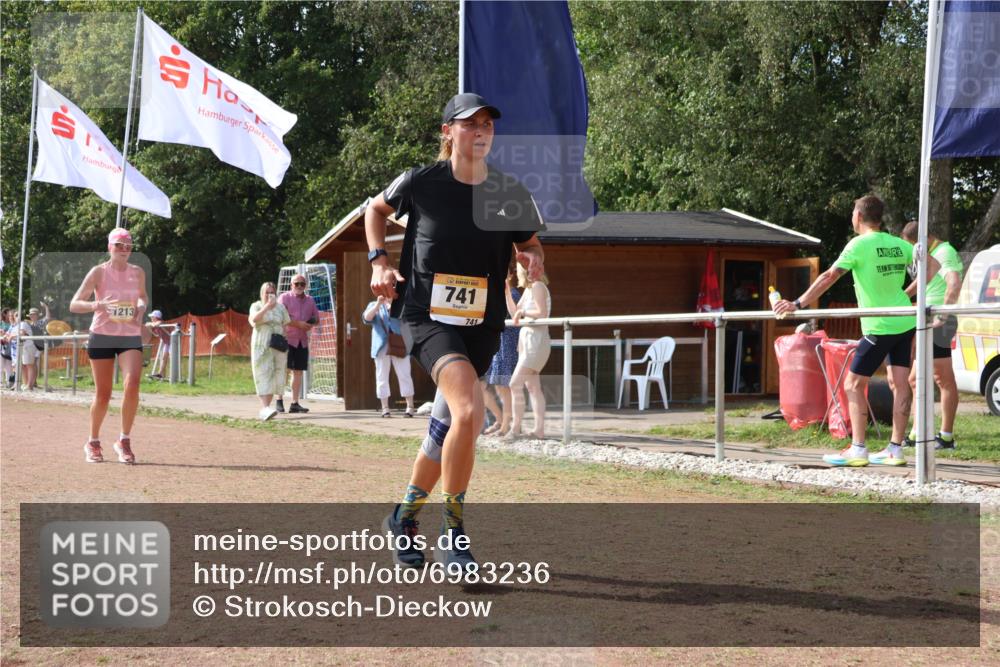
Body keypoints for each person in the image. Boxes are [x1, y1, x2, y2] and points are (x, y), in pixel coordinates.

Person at [367, 92, 545, 570]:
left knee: (448, 428)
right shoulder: (422, 182)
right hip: (427, 316)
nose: (481, 131)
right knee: (469, 410)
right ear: (448, 132)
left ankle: (403, 518)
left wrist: (533, 258)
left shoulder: (508, 192)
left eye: (488, 124)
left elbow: (531, 244)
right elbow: (375, 211)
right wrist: (379, 260)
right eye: (470, 124)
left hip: (482, 325)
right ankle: (453, 533)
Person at [773, 195, 939, 467]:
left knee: (853, 384)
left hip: (879, 325)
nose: (852, 217)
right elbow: (933, 266)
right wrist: (906, 295)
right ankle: (895, 449)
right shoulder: (898, 243)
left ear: (859, 217)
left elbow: (830, 276)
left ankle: (859, 448)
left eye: (853, 212)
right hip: (903, 321)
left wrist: (798, 303)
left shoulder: (858, 245)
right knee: (899, 384)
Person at [69, 227, 148, 464]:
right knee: (103, 395)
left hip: (129, 335)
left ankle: (123, 440)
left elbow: (143, 296)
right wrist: (97, 305)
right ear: (109, 248)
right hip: (102, 334)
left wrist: (141, 307)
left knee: (132, 384)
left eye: (128, 246)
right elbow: (74, 304)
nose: (124, 250)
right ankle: (92, 441)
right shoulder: (98, 272)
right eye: (119, 245)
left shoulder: (138, 272)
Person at [900, 222, 964, 450]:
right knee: (915, 379)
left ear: (921, 241)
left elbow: (954, 284)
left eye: (913, 248)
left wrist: (944, 316)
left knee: (942, 379)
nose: (914, 254)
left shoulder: (944, 252)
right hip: (928, 319)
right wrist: (900, 297)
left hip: (939, 319)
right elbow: (922, 281)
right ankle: (919, 433)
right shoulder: (933, 253)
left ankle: (946, 437)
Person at [507, 262, 552, 439]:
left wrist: (523, 312)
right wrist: (506, 289)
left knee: (514, 383)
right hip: (527, 339)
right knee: (532, 386)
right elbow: (515, 314)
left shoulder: (538, 286)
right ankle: (538, 430)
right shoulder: (529, 289)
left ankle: (516, 428)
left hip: (536, 340)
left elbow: (542, 313)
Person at [482, 266, 521, 436]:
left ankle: (505, 425)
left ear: (511, 275)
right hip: (497, 345)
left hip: (507, 344)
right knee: (491, 386)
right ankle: (500, 419)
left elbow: (512, 316)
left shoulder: (513, 295)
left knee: (504, 387)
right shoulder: (497, 295)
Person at [362, 295, 415, 417]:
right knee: (381, 376)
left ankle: (410, 407)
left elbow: (408, 323)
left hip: (400, 344)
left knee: (404, 374)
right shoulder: (373, 304)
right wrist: (378, 304)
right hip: (381, 346)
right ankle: (385, 408)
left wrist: (409, 346)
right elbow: (366, 318)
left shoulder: (402, 304)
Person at [278, 274, 319, 414]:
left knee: (298, 372)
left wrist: (310, 323)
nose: (300, 286)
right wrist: (298, 324)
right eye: (297, 284)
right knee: (284, 370)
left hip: (302, 341)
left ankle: (295, 403)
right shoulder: (284, 298)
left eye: (302, 284)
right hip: (287, 339)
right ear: (291, 285)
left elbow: (317, 318)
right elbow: (281, 317)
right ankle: (279, 400)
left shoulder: (310, 300)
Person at [249, 282, 290, 421]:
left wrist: (284, 339)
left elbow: (286, 324)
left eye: (272, 292)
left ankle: (267, 407)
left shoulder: (281, 307)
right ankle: (264, 407)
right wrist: (267, 306)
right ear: (262, 293)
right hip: (261, 344)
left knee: (274, 376)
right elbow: (254, 319)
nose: (269, 295)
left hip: (277, 345)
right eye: (266, 292)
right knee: (262, 374)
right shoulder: (256, 305)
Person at [145, 310, 172, 379]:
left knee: (172, 359)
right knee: (164, 358)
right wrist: (149, 327)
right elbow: (156, 334)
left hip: (173, 342)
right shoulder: (157, 324)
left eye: (152, 317)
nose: (151, 318)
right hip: (167, 343)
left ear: (156, 317)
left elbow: (157, 324)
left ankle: (173, 375)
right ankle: (161, 374)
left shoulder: (160, 322)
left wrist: (150, 324)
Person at [0, 308, 13, 388]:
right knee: (1, 365)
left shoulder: (12, 324)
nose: (10, 315)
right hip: (1, 346)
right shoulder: (1, 323)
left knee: (9, 365)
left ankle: (8, 381)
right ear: (4, 314)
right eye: (8, 313)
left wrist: (5, 334)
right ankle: (1, 381)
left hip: (10, 347)